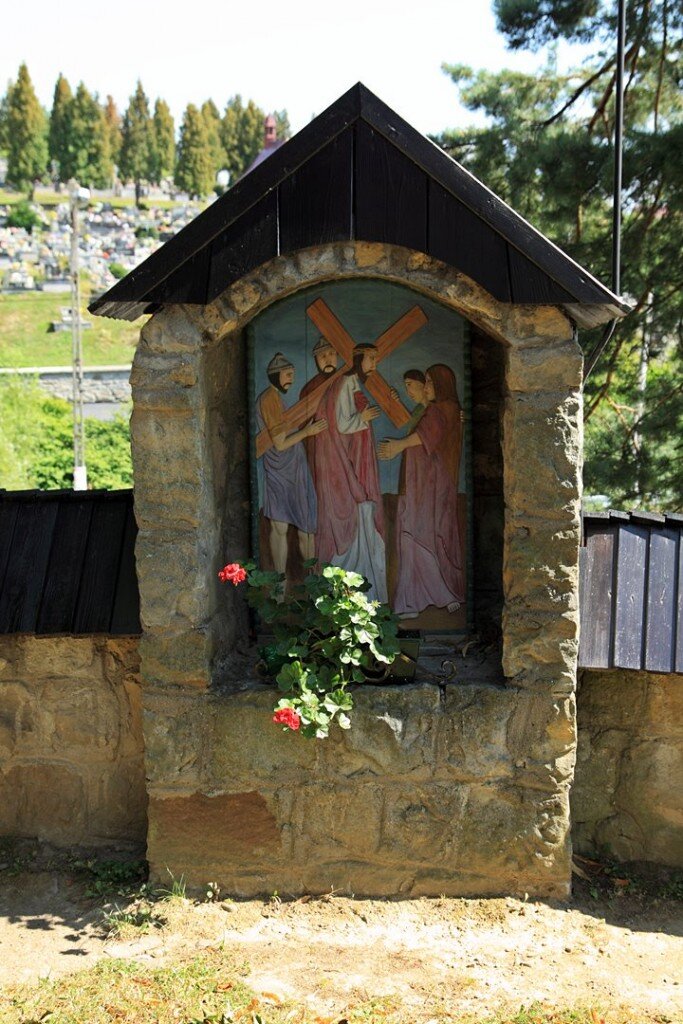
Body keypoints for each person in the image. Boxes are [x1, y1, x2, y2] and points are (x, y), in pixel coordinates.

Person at [378, 363, 464, 618]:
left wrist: (398, 446)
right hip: (422, 482)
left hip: (427, 485)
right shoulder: (438, 409)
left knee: (415, 535)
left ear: (441, 384)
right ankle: (419, 598)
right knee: (414, 536)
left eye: (428, 381)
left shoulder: (443, 409)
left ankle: (415, 600)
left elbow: (426, 435)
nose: (425, 387)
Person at [313, 343, 387, 602]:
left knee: (363, 520)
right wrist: (363, 416)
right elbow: (342, 425)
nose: (374, 363)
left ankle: (367, 593)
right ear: (358, 359)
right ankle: (352, 590)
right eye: (371, 358)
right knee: (355, 520)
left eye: (376, 358)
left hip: (357, 458)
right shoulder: (345, 383)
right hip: (348, 463)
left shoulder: (352, 383)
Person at [256, 352, 327, 579]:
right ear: (275, 375)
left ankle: (314, 584)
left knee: (306, 527)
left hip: (296, 469)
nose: (291, 379)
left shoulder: (277, 398)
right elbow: (279, 443)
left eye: (293, 375)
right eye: (287, 375)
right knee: (280, 528)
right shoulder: (269, 399)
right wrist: (308, 431)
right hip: (280, 471)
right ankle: (280, 586)